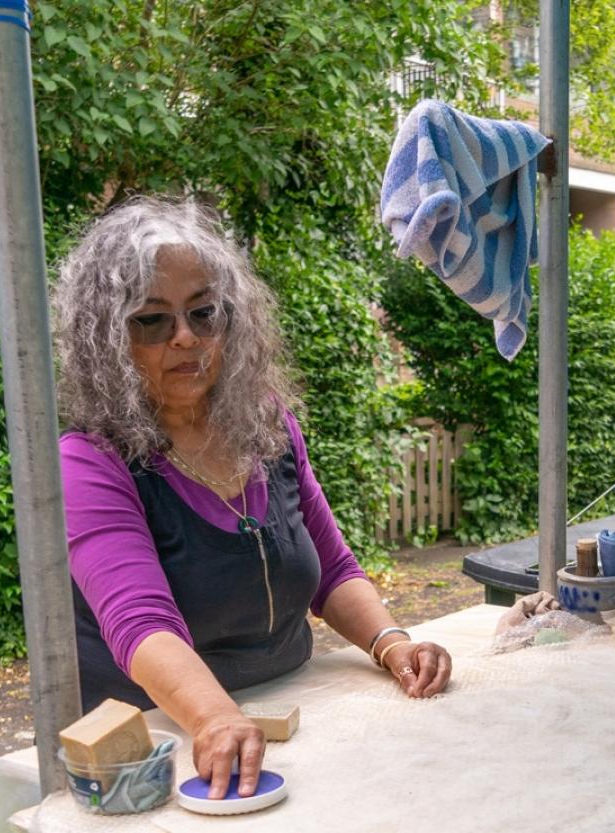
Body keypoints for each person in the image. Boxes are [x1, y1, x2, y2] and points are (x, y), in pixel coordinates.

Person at [52, 196, 453, 798]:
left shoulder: (265, 424)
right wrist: (213, 717)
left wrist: (392, 643)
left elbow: (331, 568)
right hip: (158, 747)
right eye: (152, 320)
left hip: (298, 712)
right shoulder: (91, 460)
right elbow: (140, 623)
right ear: (106, 338)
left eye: (204, 313)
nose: (186, 337)